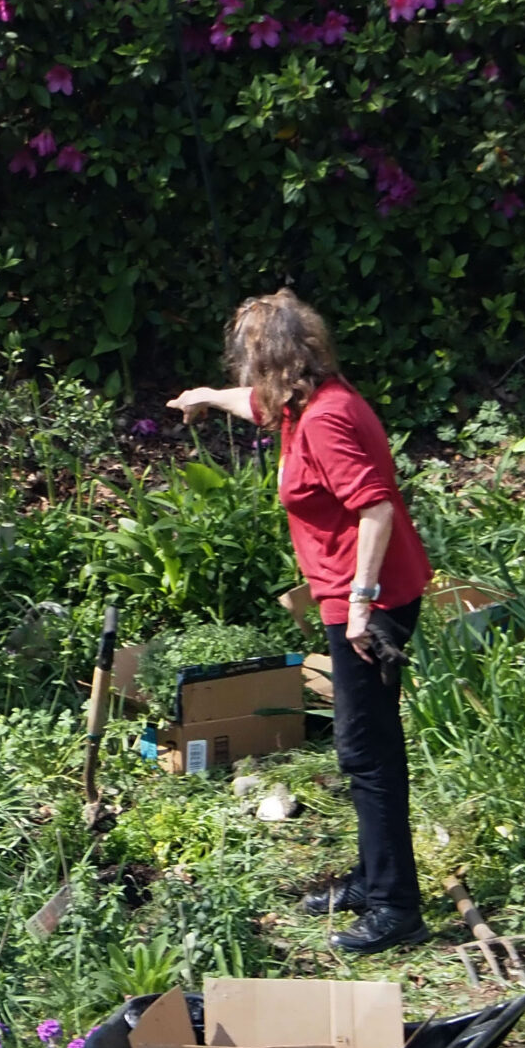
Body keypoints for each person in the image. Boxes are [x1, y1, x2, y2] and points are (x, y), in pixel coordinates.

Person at [169, 291, 434, 954]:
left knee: (364, 750)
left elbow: (375, 511)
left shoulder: (323, 422)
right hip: (357, 596)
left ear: (270, 360)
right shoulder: (304, 403)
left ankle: (396, 908)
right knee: (363, 743)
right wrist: (205, 395)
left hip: (369, 601)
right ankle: (372, 880)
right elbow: (254, 406)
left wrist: (361, 605)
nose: (243, 378)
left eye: (244, 365)